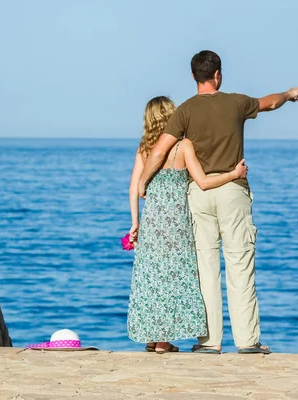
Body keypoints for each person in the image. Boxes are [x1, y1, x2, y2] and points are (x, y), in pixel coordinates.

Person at [138, 50, 298, 354]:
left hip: (199, 194)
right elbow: (271, 102)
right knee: (239, 264)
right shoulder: (237, 102)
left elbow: (160, 151)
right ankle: (247, 341)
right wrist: (290, 93)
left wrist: (143, 183)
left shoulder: (184, 111)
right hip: (232, 190)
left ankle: (209, 342)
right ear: (218, 75)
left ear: (193, 77)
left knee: (206, 268)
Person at [127, 96, 248, 354]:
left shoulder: (144, 148)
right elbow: (203, 182)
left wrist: (135, 223)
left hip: (152, 222)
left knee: (152, 278)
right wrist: (233, 175)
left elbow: (133, 188)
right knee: (175, 279)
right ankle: (162, 342)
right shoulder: (183, 146)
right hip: (177, 225)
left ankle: (153, 337)